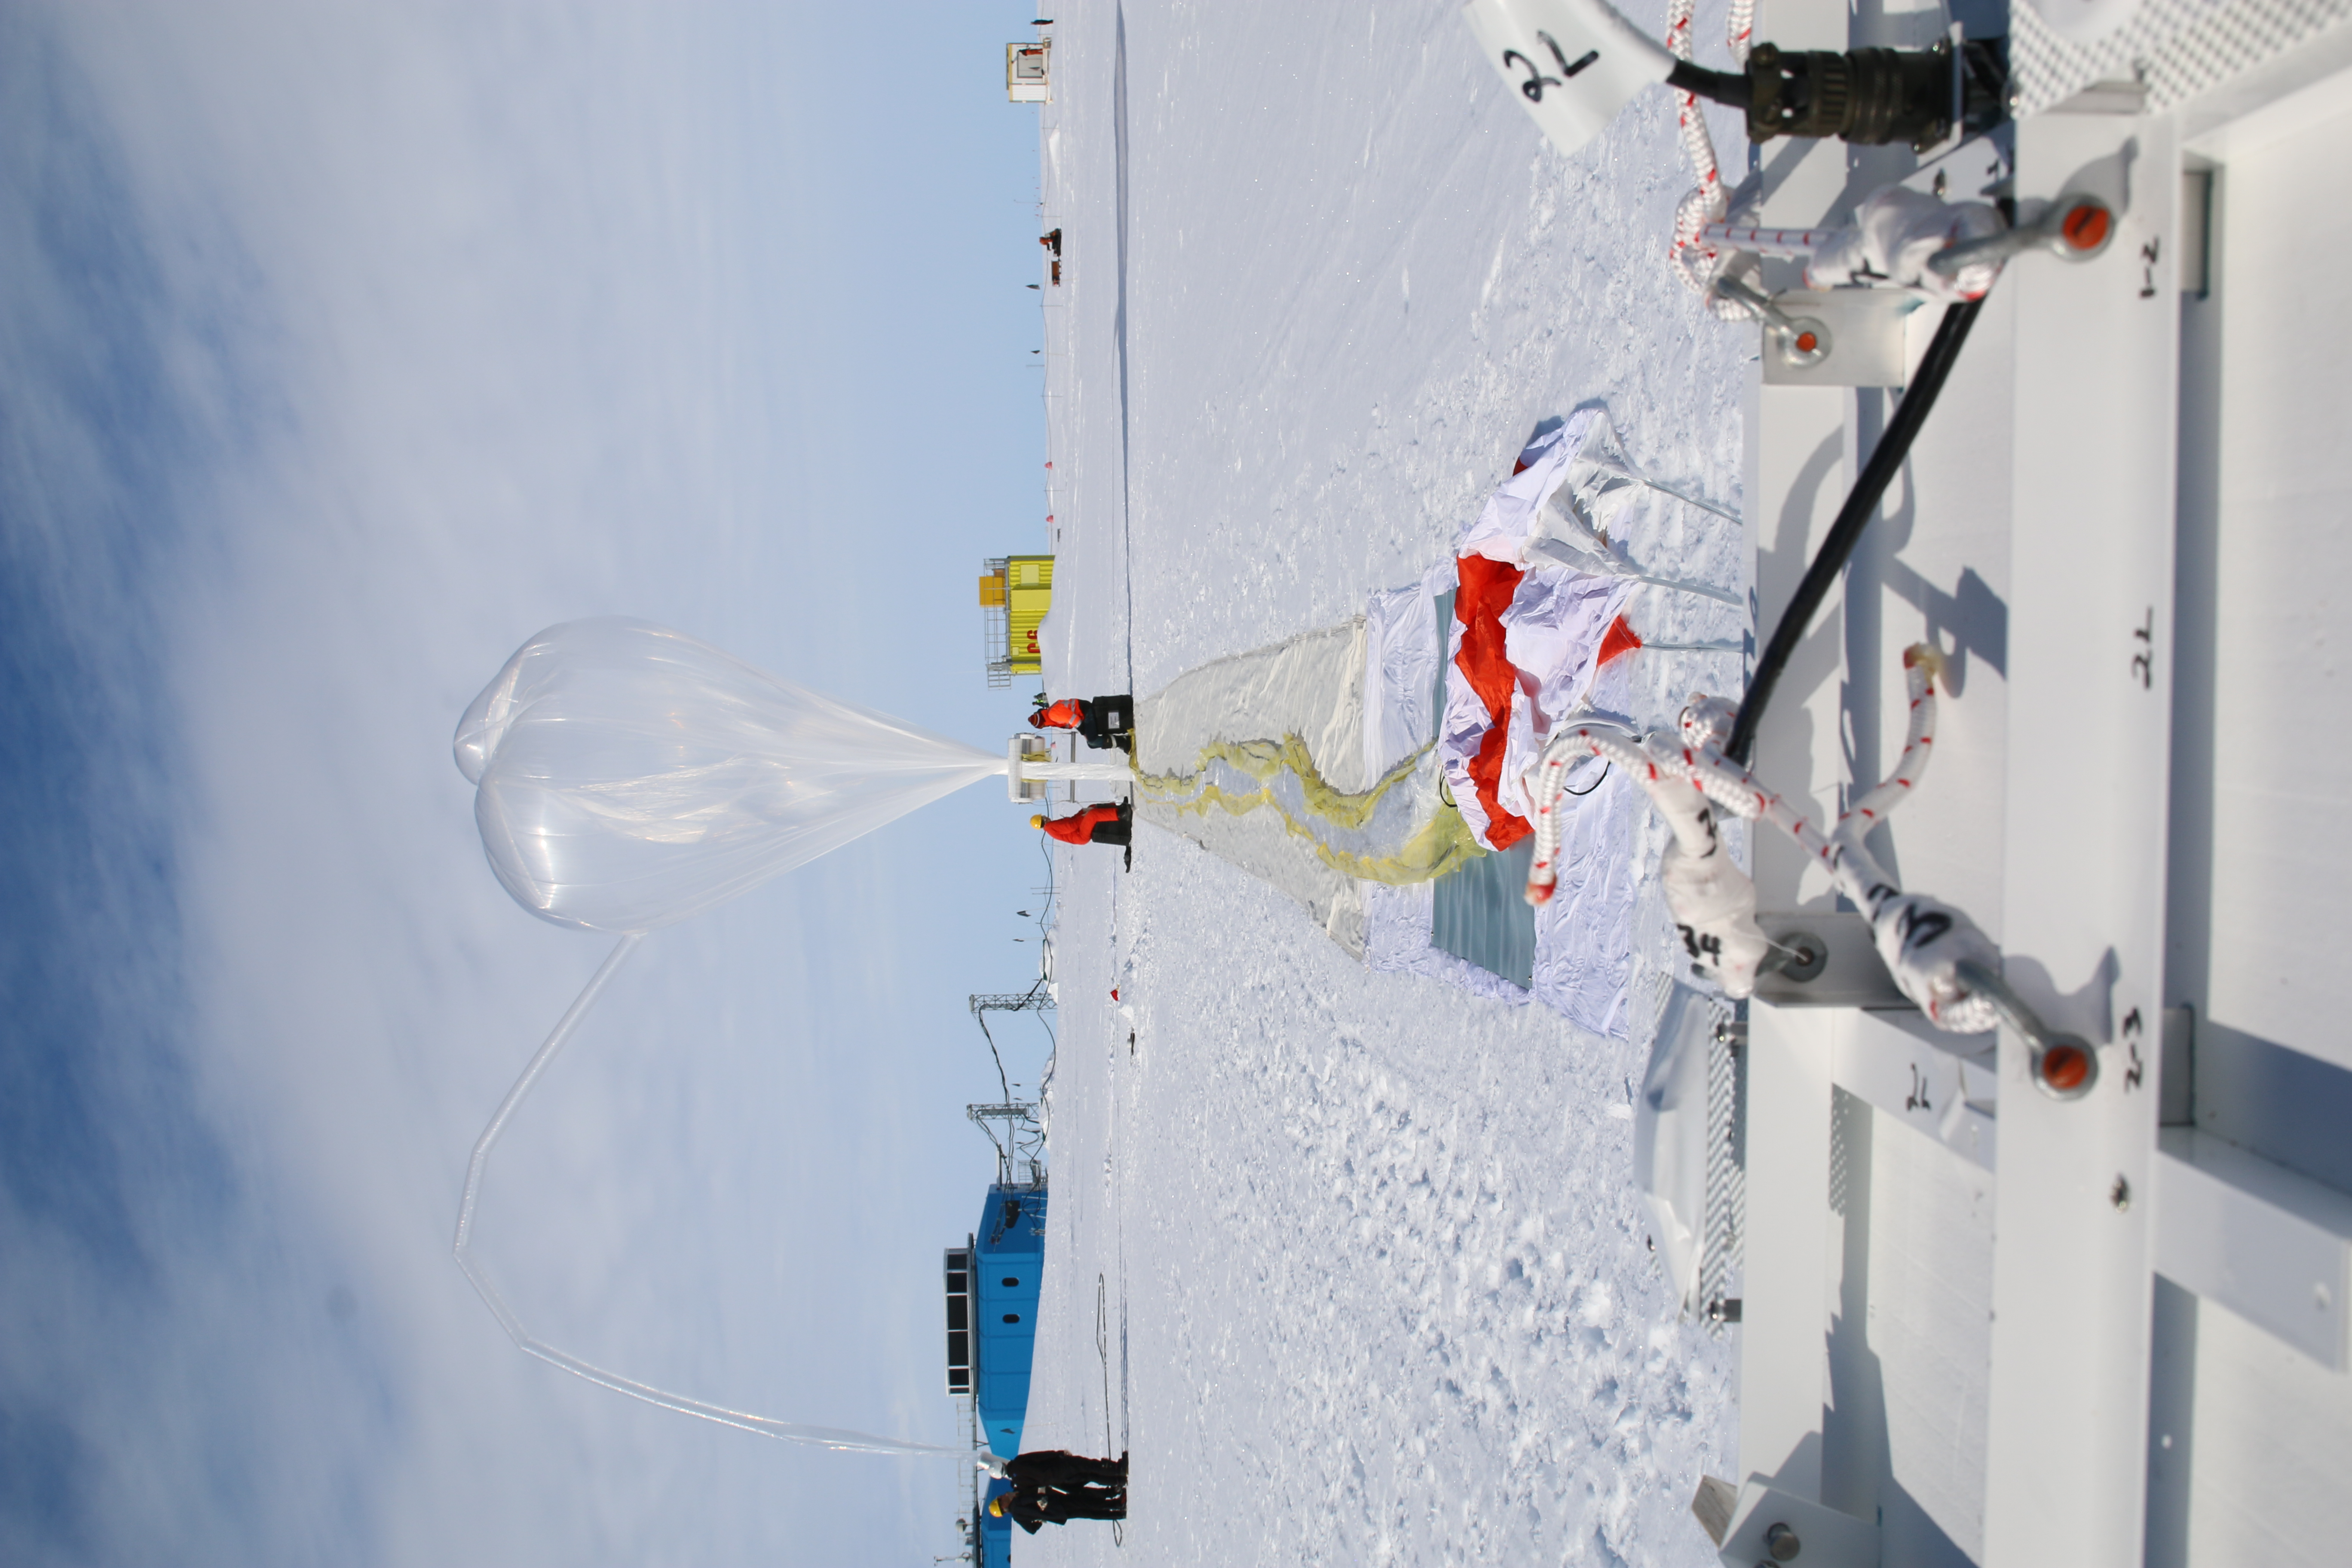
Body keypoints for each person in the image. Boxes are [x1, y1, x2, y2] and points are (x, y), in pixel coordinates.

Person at [1030, 692, 1134, 752]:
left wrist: (1085, 733)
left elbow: (1076, 720)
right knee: (1092, 744)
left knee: (1092, 741)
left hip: (1087, 712)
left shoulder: (1052, 714)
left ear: (1042, 724)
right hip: (1085, 714)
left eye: (1042, 726)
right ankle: (1123, 742)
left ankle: (1124, 742)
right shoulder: (1051, 714)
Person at [1033, 800, 1130, 848]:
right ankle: (1122, 815)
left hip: (1079, 832)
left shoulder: (1051, 828)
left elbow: (1072, 820)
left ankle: (1118, 808)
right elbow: (1072, 826)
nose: (1046, 816)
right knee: (1092, 815)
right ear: (1043, 820)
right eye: (1044, 817)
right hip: (1081, 834)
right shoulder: (1051, 827)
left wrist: (1082, 812)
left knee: (1092, 807)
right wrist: (1084, 816)